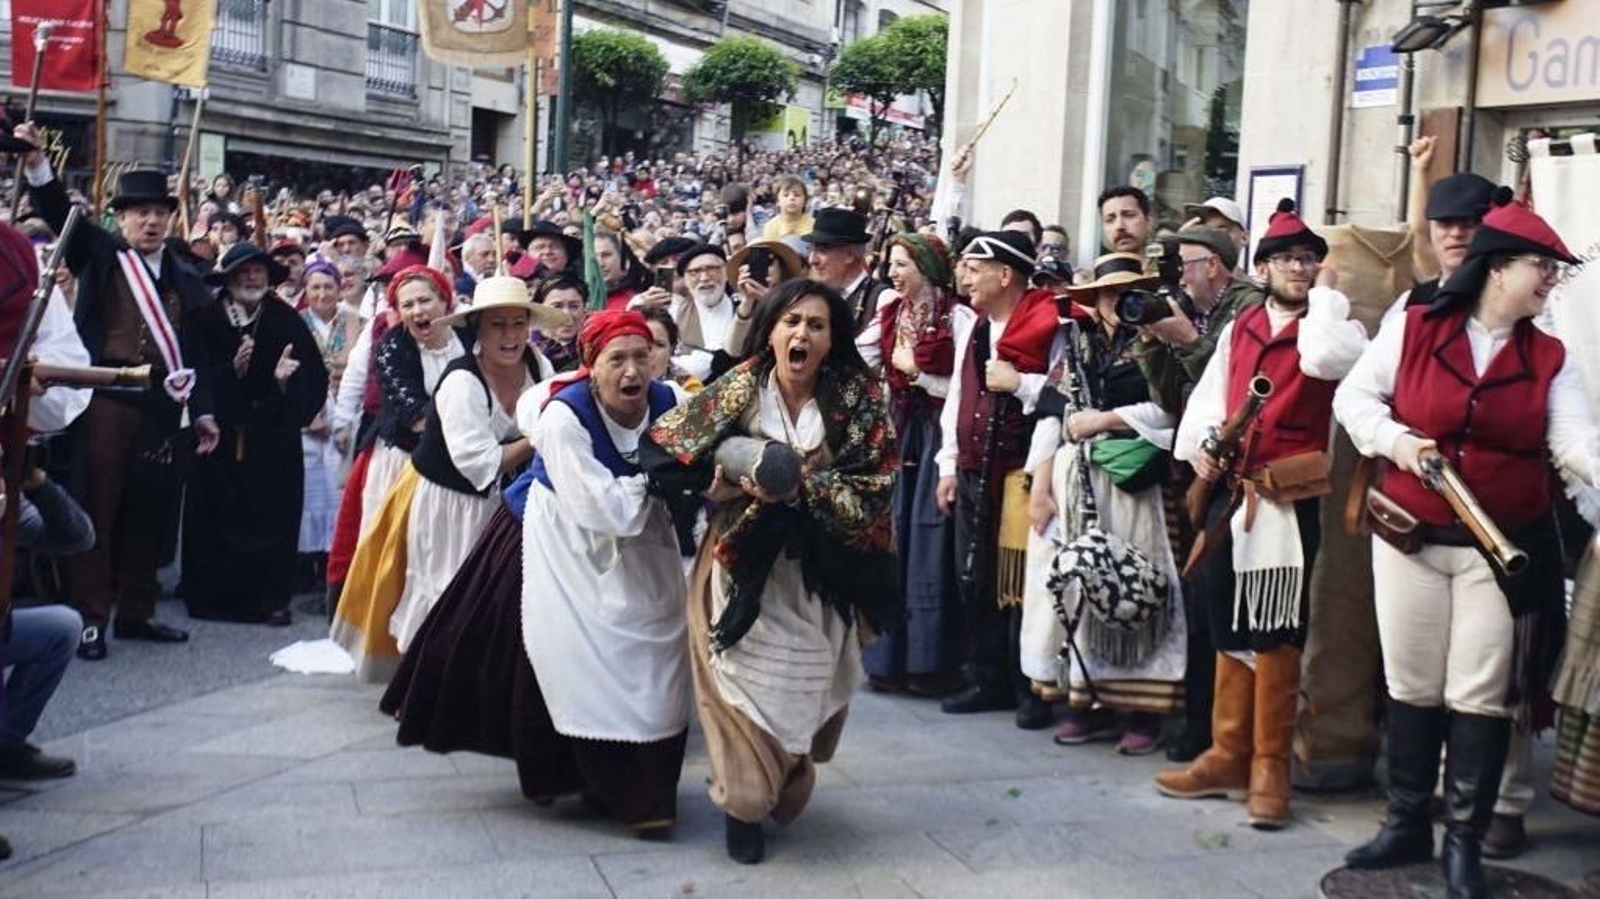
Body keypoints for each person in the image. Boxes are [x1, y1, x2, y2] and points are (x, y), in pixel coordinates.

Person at [1332, 192, 1592, 898]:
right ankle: (1407, 825)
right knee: (1411, 683)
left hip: (1500, 546)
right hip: (1410, 536)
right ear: (1496, 269)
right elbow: (1354, 400)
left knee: (1478, 691)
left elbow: (1572, 440)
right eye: (1542, 266)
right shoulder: (1415, 326)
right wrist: (1397, 441)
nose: (1549, 280)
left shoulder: (1551, 356)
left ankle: (1464, 843)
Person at [643, 278, 898, 864]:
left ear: (832, 339)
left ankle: (786, 777)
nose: (801, 333)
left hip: (818, 575)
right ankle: (744, 805)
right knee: (738, 689)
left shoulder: (857, 396)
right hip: (740, 569)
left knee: (801, 692)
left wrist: (797, 486)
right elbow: (666, 450)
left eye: (815, 324)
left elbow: (875, 484)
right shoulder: (739, 387)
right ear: (771, 331)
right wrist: (718, 482)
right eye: (790, 321)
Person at [1152, 200, 1368, 831]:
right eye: (1287, 259)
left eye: (1308, 259)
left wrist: (1326, 298)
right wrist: (1203, 452)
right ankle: (1227, 753)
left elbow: (1327, 361)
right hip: (1232, 486)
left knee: (1277, 626)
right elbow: (1211, 394)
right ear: (1264, 267)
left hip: (1287, 496)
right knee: (1225, 617)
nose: (1299, 268)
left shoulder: (1335, 325)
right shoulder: (1243, 326)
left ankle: (1270, 763)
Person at [22, 130, 211, 661]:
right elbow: (61, 216)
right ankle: (90, 617)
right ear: (121, 218)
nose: (150, 222)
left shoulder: (183, 271)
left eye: (159, 213)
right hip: (106, 400)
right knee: (97, 510)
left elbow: (197, 347)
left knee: (150, 512)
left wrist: (206, 411)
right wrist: (39, 168)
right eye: (139, 213)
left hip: (161, 403)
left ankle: (137, 611)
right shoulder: (106, 254)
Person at [1022, 254, 1185, 755]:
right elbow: (1053, 414)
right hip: (1080, 479)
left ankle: (1143, 710)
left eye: (1127, 293)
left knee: (1135, 580)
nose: (1117, 303)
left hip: (1138, 481)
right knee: (1081, 582)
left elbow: (1174, 409)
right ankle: (1087, 699)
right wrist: (1041, 484)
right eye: (1108, 295)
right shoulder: (1080, 343)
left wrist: (1104, 419)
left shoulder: (1160, 342)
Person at [388, 276, 555, 651]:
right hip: (455, 501)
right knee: (450, 587)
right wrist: (541, 436)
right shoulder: (462, 381)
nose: (510, 335)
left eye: (518, 323)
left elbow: (553, 406)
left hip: (507, 502)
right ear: (478, 329)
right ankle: (426, 689)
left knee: (500, 592)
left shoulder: (536, 363)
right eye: (498, 324)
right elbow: (480, 464)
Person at [935, 231, 1061, 728]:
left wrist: (1020, 383)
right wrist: (948, 465)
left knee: (1022, 583)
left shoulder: (1051, 325)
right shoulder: (976, 327)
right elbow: (958, 399)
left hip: (1020, 472)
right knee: (975, 575)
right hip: (972, 468)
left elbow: (1060, 399)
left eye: (973, 266)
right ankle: (985, 677)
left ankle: (1030, 684)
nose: (964, 276)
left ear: (1005, 274)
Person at [182, 243, 329, 625]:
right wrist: (229, 372)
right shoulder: (206, 318)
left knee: (272, 520)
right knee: (217, 517)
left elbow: (314, 376)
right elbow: (190, 375)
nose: (251, 278)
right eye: (242, 273)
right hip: (220, 436)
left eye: (258, 272)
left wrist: (284, 383)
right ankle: (216, 599)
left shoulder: (285, 319)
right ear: (228, 280)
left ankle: (269, 599)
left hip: (272, 440)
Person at [855, 233, 974, 696]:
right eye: (891, 264)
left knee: (930, 540)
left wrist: (917, 373)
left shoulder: (959, 317)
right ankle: (887, 658)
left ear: (926, 265)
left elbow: (965, 389)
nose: (893, 273)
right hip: (901, 434)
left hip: (939, 435)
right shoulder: (889, 315)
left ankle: (930, 661)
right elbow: (855, 358)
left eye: (902, 264)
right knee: (895, 536)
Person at [297, 261, 359, 574]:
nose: (322, 293)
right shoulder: (295, 323)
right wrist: (307, 414)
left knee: (338, 484)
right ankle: (307, 559)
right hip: (308, 414)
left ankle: (334, 558)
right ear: (305, 292)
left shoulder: (355, 322)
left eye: (328, 287)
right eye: (315, 287)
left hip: (343, 410)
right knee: (310, 486)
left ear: (339, 289)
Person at [803, 208, 886, 334]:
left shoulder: (881, 300)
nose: (812, 260)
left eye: (823, 250)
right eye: (811, 249)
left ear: (850, 255)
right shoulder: (813, 295)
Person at [668, 242, 737, 382]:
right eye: (695, 272)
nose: (704, 278)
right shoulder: (674, 315)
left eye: (712, 269)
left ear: (726, 273)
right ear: (686, 280)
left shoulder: (745, 309)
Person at [530, 275, 588, 374]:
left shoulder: (592, 350)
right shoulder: (528, 352)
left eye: (574, 306)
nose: (566, 314)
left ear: (585, 309)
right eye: (557, 306)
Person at [595, 229, 649, 311]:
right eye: (594, 257)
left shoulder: (637, 301)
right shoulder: (582, 298)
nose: (600, 263)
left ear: (624, 259)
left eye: (606, 255)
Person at [1100, 186, 1154, 255]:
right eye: (1109, 220)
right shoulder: (1099, 265)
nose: (1119, 226)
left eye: (1129, 215)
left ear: (1149, 221)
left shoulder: (1169, 264)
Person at [761, 175, 814, 241]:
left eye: (797, 195)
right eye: (786, 195)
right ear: (778, 201)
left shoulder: (814, 225)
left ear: (805, 201)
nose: (791, 198)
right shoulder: (770, 226)